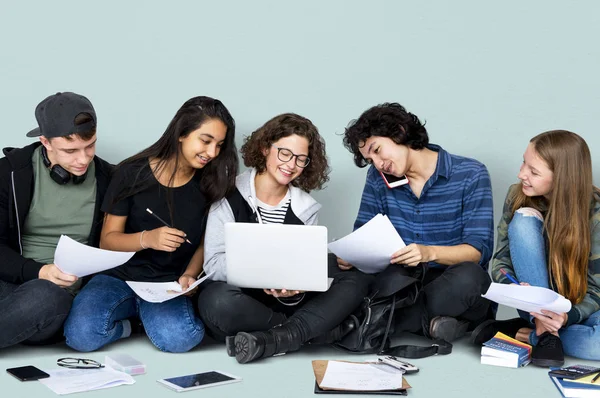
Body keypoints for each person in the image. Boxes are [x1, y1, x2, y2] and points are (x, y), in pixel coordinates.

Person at [63, 96, 239, 353]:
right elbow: (108, 240)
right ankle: (130, 326)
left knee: (181, 339)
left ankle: (146, 318)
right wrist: (148, 239)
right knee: (81, 336)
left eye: (219, 145)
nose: (212, 153)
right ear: (181, 133)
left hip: (166, 285)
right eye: (206, 140)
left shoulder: (210, 184)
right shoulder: (131, 172)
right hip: (118, 277)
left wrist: (190, 274)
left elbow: (205, 242)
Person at [197, 113, 371, 364]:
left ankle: (277, 338)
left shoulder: (306, 208)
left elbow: (303, 271)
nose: (291, 165)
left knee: (356, 277)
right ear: (265, 148)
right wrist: (263, 272)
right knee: (216, 301)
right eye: (285, 153)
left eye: (301, 159)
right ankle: (314, 332)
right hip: (243, 300)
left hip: (286, 302)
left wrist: (295, 290)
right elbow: (212, 265)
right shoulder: (228, 195)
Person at [340, 102, 494, 342]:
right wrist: (351, 254)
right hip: (400, 283)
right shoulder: (378, 178)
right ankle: (432, 325)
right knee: (334, 267)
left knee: (471, 278)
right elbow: (363, 234)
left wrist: (428, 253)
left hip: (452, 282)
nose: (379, 163)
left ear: (399, 131)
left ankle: (371, 323)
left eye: (377, 150)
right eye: (370, 160)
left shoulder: (471, 173)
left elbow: (477, 251)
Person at [471, 130, 600, 366]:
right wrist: (518, 291)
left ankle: (528, 334)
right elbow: (501, 261)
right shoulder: (516, 195)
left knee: (597, 344)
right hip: (535, 301)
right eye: (524, 162)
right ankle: (542, 328)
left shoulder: (596, 214)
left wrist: (565, 316)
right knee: (523, 219)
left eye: (534, 171)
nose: (521, 174)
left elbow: (597, 289)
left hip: (581, 307)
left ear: (562, 177)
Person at [0, 92, 112, 349]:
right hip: (11, 281)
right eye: (70, 150)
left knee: (44, 296)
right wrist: (38, 270)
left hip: (53, 297)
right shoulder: (9, 174)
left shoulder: (109, 179)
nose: (83, 159)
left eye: (90, 146)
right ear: (45, 142)